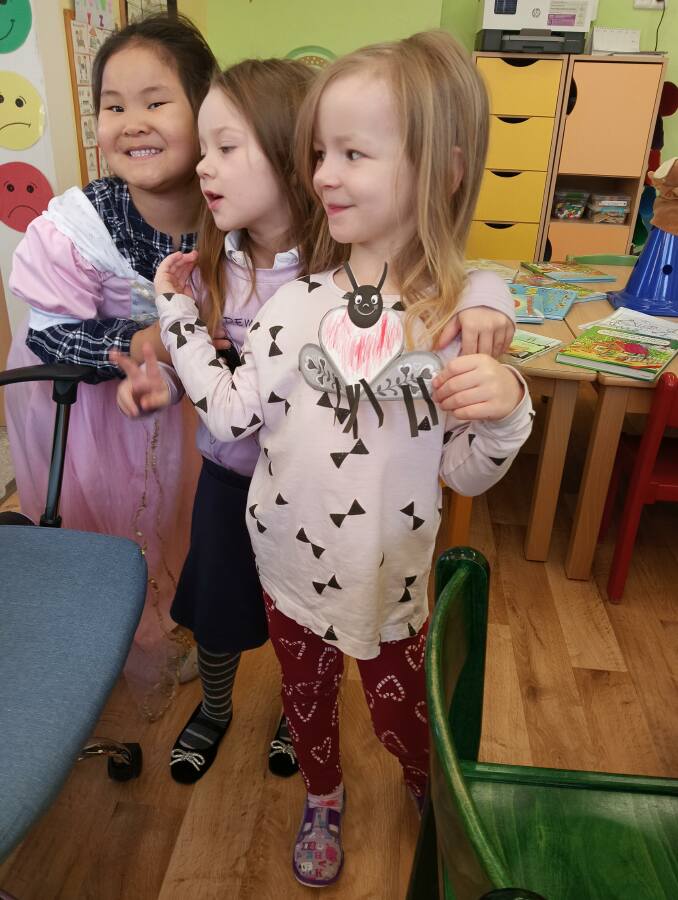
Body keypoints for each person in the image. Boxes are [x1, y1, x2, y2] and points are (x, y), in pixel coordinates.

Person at [124, 29, 533, 886]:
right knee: (306, 706)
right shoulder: (293, 307)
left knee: (403, 721)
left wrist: (506, 413)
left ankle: (428, 791)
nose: (324, 176)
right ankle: (322, 794)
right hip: (287, 570)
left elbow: (463, 472)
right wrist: (179, 318)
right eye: (319, 154)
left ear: (444, 171)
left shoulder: (451, 323)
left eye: (353, 153)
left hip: (388, 582)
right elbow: (231, 414)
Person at [5, 15, 216, 719]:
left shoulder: (230, 208)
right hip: (81, 408)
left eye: (156, 101)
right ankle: (121, 641)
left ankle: (167, 614)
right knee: (104, 521)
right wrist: (143, 341)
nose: (133, 122)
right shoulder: (78, 225)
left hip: (175, 400)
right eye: (114, 106)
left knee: (175, 510)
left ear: (206, 110)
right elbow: (51, 333)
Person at [113, 58, 317, 783]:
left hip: (310, 492)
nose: (203, 166)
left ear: (293, 160)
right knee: (218, 614)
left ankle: (301, 712)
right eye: (204, 148)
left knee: (306, 619)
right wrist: (162, 384)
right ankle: (217, 706)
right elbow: (194, 363)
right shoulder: (204, 270)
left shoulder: (339, 275)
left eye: (226, 147)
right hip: (228, 484)